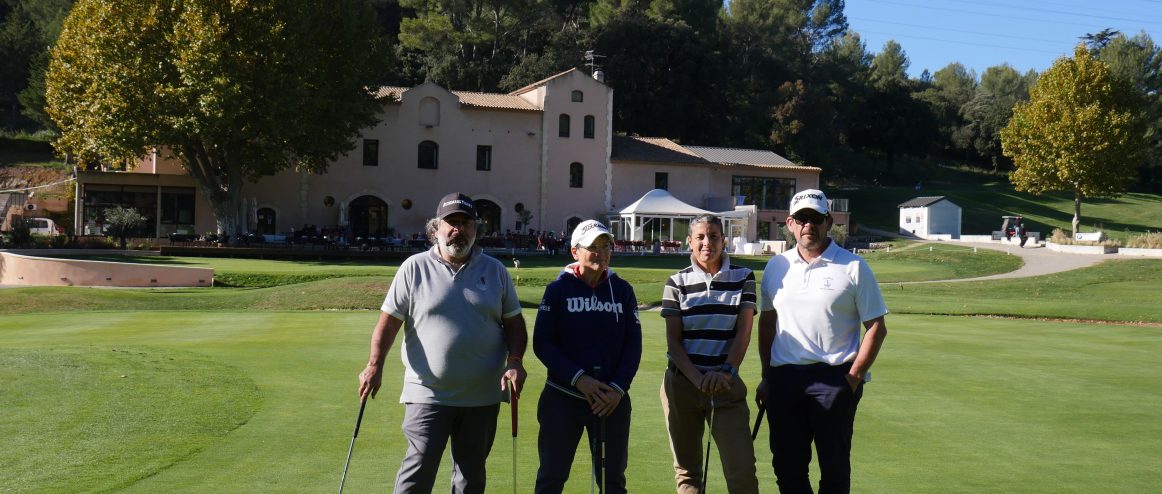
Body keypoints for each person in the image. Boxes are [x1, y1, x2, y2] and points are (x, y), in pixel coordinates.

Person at [358, 192, 528, 494]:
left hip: (482, 397)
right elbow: (389, 322)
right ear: (435, 228)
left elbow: (514, 322)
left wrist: (515, 362)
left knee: (470, 479)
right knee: (417, 473)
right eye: (451, 223)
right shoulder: (414, 268)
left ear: (476, 229)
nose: (458, 229)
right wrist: (374, 366)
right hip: (428, 394)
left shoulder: (495, 270)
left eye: (466, 223)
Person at [757, 189, 888, 494]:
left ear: (829, 222)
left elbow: (877, 327)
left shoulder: (853, 267)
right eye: (802, 218)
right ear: (790, 223)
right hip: (785, 378)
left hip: (834, 378)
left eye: (816, 218)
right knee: (788, 468)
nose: (808, 225)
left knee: (834, 470)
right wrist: (768, 376)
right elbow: (768, 323)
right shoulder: (777, 267)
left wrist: (853, 379)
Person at [532, 219, 642, 494]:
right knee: (551, 478)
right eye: (593, 247)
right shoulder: (557, 290)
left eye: (606, 246)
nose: (601, 253)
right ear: (575, 252)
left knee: (612, 483)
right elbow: (542, 343)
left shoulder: (623, 290)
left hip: (610, 402)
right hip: (563, 398)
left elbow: (633, 346)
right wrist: (579, 379)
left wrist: (617, 388)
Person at [660, 213, 760, 494]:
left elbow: (744, 331)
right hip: (682, 384)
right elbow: (673, 343)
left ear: (723, 241)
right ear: (689, 242)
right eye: (700, 237)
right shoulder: (676, 281)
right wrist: (697, 379)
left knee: (741, 470)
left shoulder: (743, 277)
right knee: (688, 473)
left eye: (714, 236)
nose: (707, 243)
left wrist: (725, 371)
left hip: (725, 386)